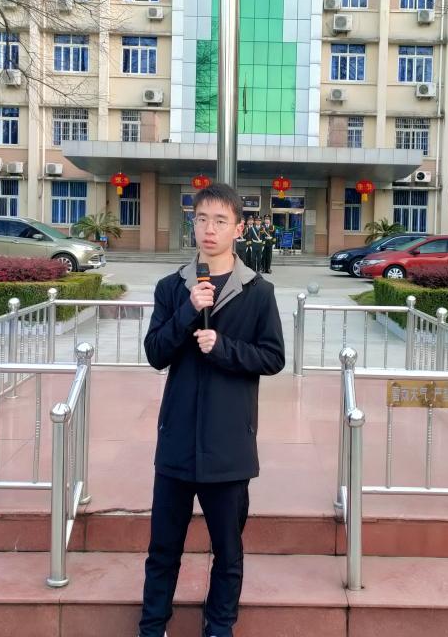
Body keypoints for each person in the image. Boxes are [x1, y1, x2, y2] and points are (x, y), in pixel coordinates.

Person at [138, 183, 286, 637]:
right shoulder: (172, 287)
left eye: (221, 221)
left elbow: (273, 357)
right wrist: (187, 312)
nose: (209, 229)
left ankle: (219, 627)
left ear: (239, 229)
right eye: (202, 218)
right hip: (177, 443)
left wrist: (223, 347)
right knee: (163, 550)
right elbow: (155, 352)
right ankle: (152, 627)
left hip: (229, 446)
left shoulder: (258, 291)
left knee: (228, 551)